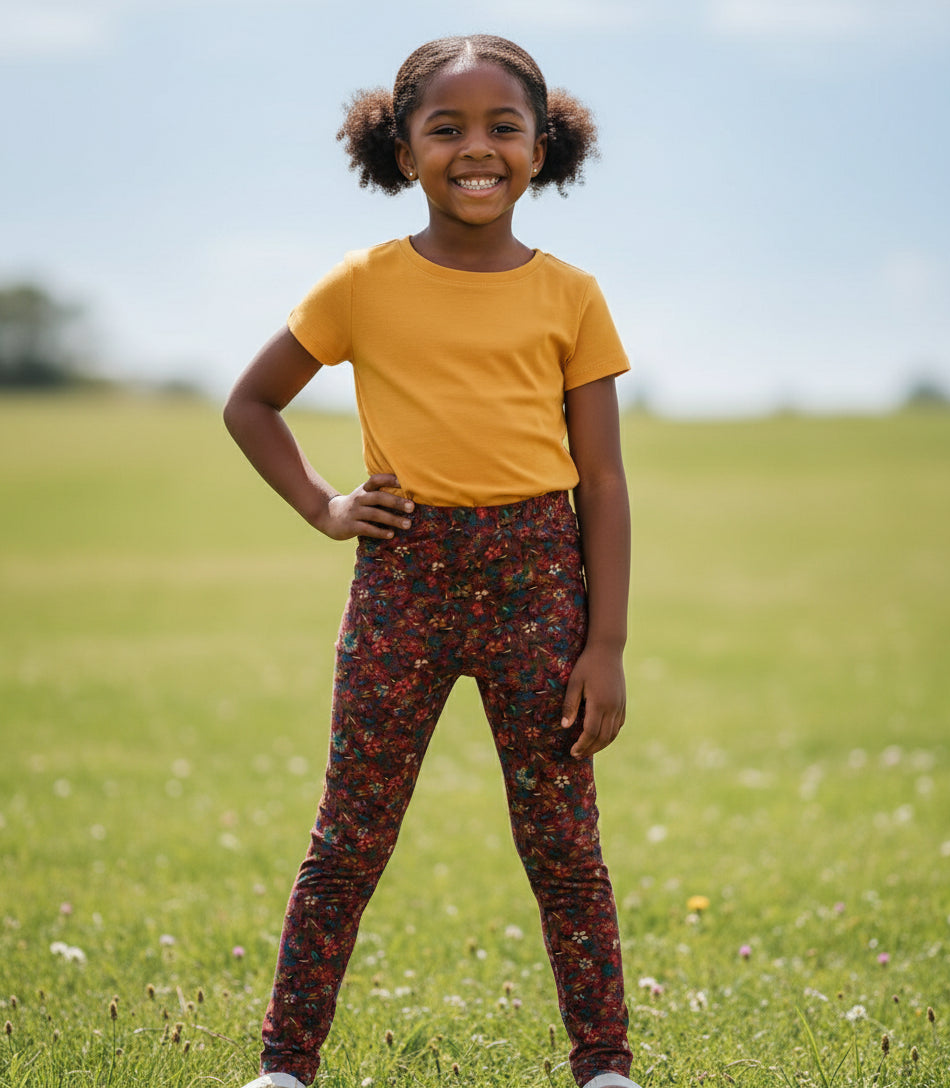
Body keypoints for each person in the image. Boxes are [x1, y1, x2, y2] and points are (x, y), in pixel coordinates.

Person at [224, 34, 639, 1088]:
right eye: (445, 128)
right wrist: (324, 504)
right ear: (401, 148)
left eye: (503, 127)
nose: (475, 149)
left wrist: (607, 643)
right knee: (349, 835)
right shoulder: (362, 284)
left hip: (539, 581)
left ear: (541, 147)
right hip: (404, 574)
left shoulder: (573, 295)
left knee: (563, 845)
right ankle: (283, 1065)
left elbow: (605, 480)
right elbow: (251, 400)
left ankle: (605, 1067)